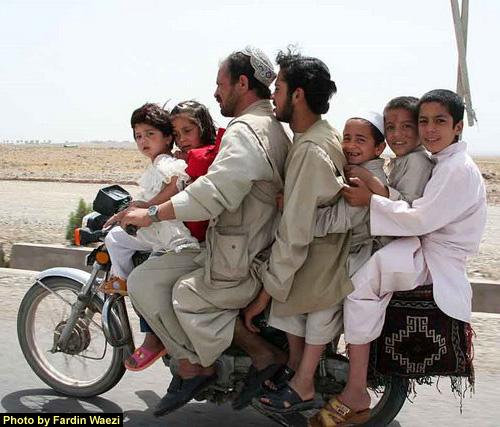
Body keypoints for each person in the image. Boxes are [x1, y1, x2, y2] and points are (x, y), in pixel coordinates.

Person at [112, 46, 291, 416]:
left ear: (242, 83)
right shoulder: (269, 125)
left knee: (168, 289)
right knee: (149, 279)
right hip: (238, 246)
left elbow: (214, 191)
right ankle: (196, 364)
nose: (215, 93)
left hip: (239, 257)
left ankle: (202, 364)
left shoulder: (246, 130)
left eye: (220, 84)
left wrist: (153, 213)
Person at [308, 89, 487, 427]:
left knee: (359, 287)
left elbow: (420, 219)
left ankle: (356, 389)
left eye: (439, 122)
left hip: (433, 257)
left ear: (458, 127)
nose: (429, 130)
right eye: (424, 122)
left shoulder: (456, 169)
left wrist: (370, 199)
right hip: (424, 247)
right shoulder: (444, 161)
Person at [243, 49, 353, 414]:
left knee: (283, 294)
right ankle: (294, 366)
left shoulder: (310, 149)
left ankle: (302, 383)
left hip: (320, 254)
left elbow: (295, 231)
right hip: (320, 246)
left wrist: (265, 292)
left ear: (298, 95)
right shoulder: (320, 135)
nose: (272, 96)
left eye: (278, 88)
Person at [123, 100, 224, 372]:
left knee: (139, 281)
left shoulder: (199, 157)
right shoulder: (185, 158)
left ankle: (185, 359)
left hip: (195, 241)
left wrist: (148, 209)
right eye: (177, 133)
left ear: (204, 129)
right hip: (190, 235)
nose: (182, 140)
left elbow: (175, 188)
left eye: (187, 131)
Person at [100, 102, 198, 297]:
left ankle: (121, 279)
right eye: (138, 136)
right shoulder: (158, 164)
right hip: (159, 227)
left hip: (164, 228)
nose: (143, 140)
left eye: (150, 134)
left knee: (114, 238)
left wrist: (147, 206)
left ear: (168, 137)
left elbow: (174, 186)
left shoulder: (164, 162)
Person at [315, 111, 388, 277]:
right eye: (347, 138)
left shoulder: (367, 181)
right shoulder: (357, 171)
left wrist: (295, 212)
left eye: (360, 140)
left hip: (354, 265)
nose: (350, 145)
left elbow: (334, 221)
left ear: (379, 148)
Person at [345, 96, 433, 205]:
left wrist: (369, 182)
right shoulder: (401, 160)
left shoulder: (418, 161)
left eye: (406, 126)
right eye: (390, 127)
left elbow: (407, 207)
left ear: (420, 128)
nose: (397, 134)